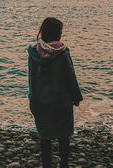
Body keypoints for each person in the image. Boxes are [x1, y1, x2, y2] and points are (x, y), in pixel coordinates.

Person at [27, 17, 83, 168]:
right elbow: (71, 77)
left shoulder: (33, 53)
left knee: (45, 138)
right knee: (63, 137)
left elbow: (31, 80)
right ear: (58, 33)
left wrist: (32, 100)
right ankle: (63, 164)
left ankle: (47, 166)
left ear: (43, 32)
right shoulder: (63, 53)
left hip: (41, 102)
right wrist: (77, 97)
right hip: (61, 102)